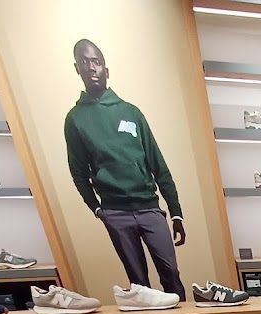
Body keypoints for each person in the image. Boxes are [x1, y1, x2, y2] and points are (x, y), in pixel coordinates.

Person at [64, 39, 186, 299]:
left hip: (149, 207)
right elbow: (78, 171)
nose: (92, 68)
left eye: (97, 62)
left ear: (106, 70)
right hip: (115, 211)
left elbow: (158, 164)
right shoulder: (75, 119)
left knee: (171, 275)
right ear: (77, 69)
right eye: (85, 63)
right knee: (139, 285)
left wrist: (176, 213)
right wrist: (97, 208)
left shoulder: (131, 112)